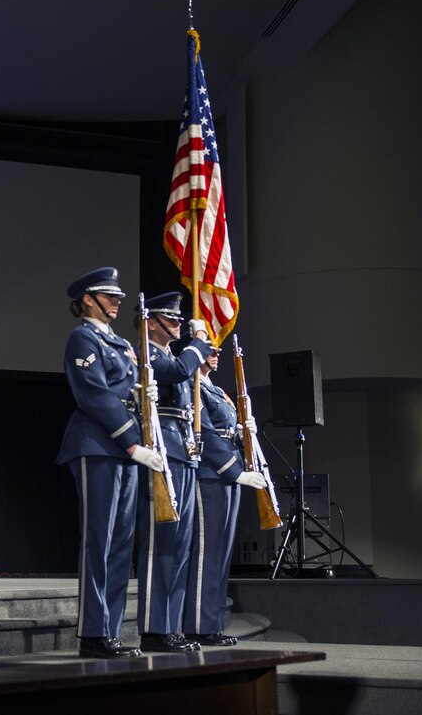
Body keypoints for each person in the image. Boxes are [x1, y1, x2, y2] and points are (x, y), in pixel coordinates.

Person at [54, 267, 163, 660]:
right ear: (87, 299)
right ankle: (93, 634)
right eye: (108, 295)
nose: (117, 301)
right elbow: (94, 394)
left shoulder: (115, 340)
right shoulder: (82, 337)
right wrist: (133, 444)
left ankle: (111, 631)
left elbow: (118, 388)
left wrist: (140, 389)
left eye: (117, 295)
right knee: (99, 542)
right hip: (98, 444)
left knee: (120, 544)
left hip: (122, 447)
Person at [135, 291, 213, 652]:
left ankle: (172, 626)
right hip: (163, 449)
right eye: (172, 318)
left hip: (182, 448)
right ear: (152, 322)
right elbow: (180, 370)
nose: (179, 323)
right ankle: (154, 628)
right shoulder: (148, 352)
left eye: (180, 318)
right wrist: (198, 342)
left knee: (181, 546)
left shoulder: (170, 353)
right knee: (161, 545)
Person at [184, 348, 267, 646]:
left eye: (217, 350)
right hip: (210, 473)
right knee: (207, 553)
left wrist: (246, 434)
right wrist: (235, 471)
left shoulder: (217, 390)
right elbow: (203, 432)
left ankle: (213, 623)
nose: (215, 355)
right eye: (209, 350)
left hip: (227, 472)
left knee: (221, 554)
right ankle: (198, 625)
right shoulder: (192, 385)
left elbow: (227, 430)